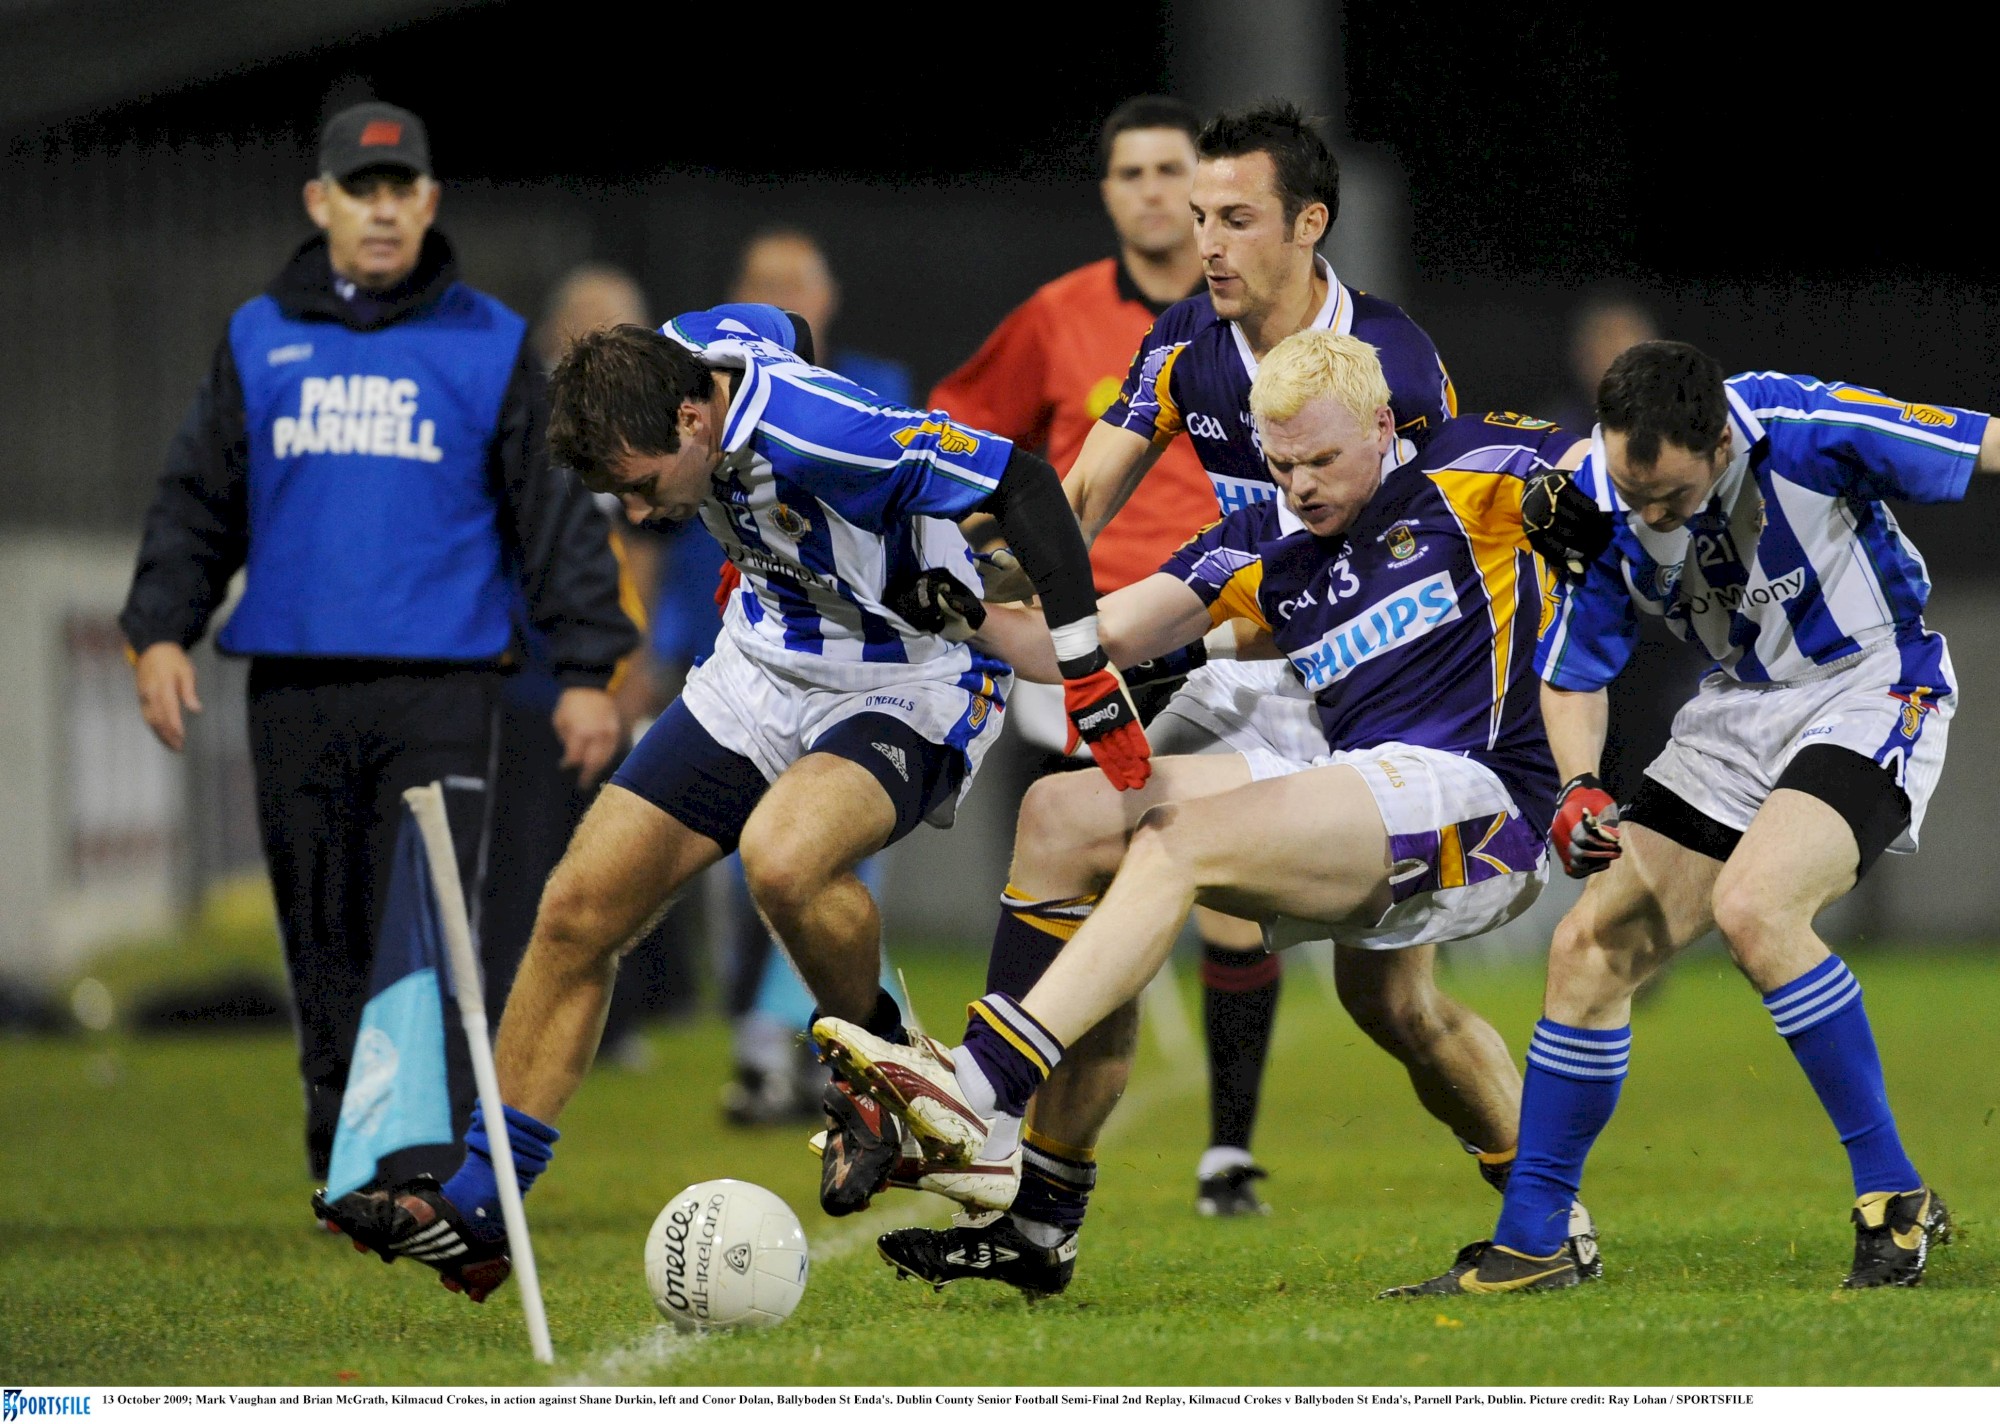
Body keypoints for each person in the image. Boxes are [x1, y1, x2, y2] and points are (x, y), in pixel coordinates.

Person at [311, 307, 1149, 1301]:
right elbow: (780, 323)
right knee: (578, 908)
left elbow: (1022, 479)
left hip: (906, 678)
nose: (631, 512)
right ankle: (479, 1207)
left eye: (637, 484)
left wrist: (1085, 669)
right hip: (757, 664)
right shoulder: (687, 343)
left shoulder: (819, 434)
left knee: (785, 858)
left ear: (693, 418)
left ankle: (881, 1085)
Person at [813, 330, 1598, 1295]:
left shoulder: (1473, 466)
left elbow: (1614, 465)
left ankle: (980, 1087)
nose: (1301, 484)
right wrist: (961, 610)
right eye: (1281, 463)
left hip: (1483, 801)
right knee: (1064, 815)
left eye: (1323, 459)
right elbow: (1091, 638)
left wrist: (1592, 496)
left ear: (1385, 425)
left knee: (1179, 846)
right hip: (1361, 781)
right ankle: (1040, 1220)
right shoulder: (1261, 534)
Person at [1385, 341, 1994, 1296]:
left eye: (1668, 497)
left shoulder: (1803, 425)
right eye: (1637, 495)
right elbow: (1576, 672)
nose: (1651, 516)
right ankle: (1537, 1237)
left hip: (1871, 686)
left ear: (1717, 440)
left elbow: (1984, 442)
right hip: (1737, 710)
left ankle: (1893, 1197)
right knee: (1588, 949)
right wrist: (1582, 786)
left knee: (1757, 908)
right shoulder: (1593, 494)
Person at [978, 98, 1485, 1223]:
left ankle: (1539, 1186)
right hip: (1245, 676)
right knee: (1080, 830)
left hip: (1372, 696)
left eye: (1234, 217)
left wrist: (1185, 633)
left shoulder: (1389, 366)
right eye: (1198, 215)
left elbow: (1391, 586)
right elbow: (1074, 503)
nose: (1203, 240)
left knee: (1394, 1005)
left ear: (1308, 224)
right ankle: (1018, 1170)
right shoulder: (1182, 340)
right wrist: (980, 586)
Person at [120, 102, 636, 1183]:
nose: (383, 209)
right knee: (322, 931)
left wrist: (588, 668)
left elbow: (549, 516)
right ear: (322, 202)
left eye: (402, 188)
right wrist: (162, 628)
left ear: (430, 202)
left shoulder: (489, 343)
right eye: (362, 188)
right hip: (294, 686)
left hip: (441, 691)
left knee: (436, 927)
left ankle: (417, 1159)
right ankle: (340, 1161)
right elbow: (196, 500)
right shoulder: (260, 335)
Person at [731, 228, 914, 404]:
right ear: (737, 297)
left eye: (796, 286)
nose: (781, 301)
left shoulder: (875, 386)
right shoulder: (712, 383)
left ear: (828, 296)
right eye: (767, 286)